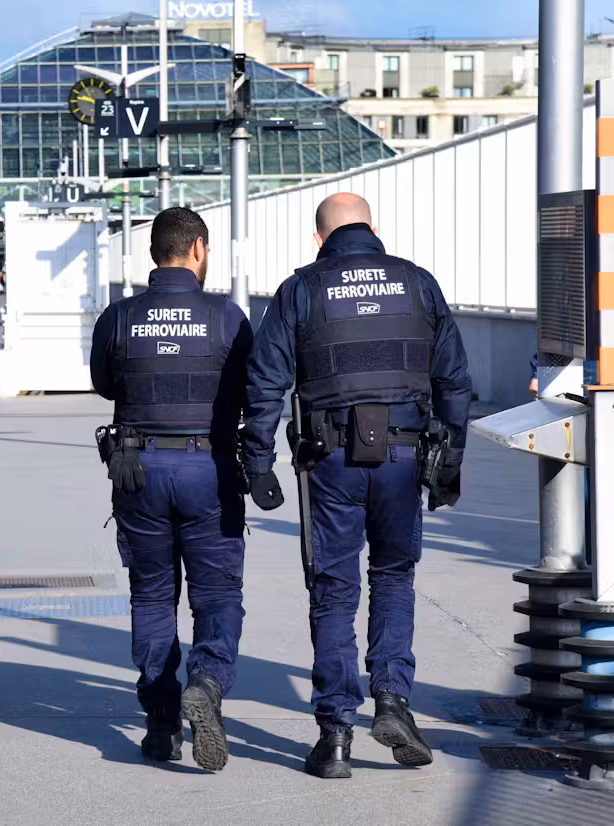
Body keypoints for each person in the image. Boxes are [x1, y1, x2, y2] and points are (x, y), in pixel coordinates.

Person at [241, 193, 472, 779]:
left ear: (319, 239)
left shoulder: (301, 290)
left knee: (334, 589)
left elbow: (264, 385)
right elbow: (454, 383)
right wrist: (450, 465)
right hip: (403, 455)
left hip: (331, 460)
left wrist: (258, 464)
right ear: (374, 229)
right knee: (394, 576)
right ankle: (392, 699)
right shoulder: (418, 284)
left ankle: (336, 735)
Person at [89, 207, 253, 772]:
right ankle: (206, 683)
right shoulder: (228, 317)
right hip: (209, 471)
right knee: (217, 596)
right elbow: (251, 393)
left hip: (138, 471)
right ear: (199, 250)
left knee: (153, 596)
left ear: (152, 253)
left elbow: (103, 383)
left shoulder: (118, 317)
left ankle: (161, 725)